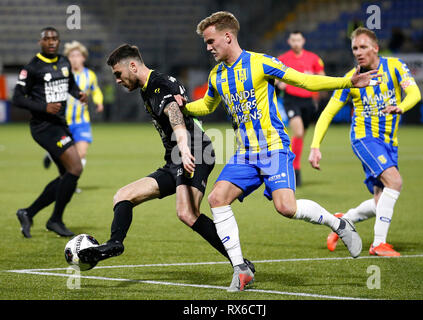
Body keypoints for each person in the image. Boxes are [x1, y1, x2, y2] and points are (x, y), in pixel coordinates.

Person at [182, 11, 380, 291]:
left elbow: (305, 81)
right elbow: (207, 106)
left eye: (211, 40)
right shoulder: (217, 75)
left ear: (228, 36)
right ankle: (241, 270)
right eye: (206, 42)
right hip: (245, 153)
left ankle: (339, 224)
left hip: (273, 148)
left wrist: (347, 82)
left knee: (286, 208)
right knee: (216, 199)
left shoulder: (261, 63)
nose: (208, 47)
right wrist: (183, 107)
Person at [78, 44, 255, 275]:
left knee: (187, 213)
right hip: (175, 158)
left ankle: (240, 263)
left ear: (132, 66)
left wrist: (183, 146)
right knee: (123, 196)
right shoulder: (147, 87)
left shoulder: (158, 84)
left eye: (118, 74)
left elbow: (174, 112)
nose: (118, 80)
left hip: (194, 151)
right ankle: (115, 243)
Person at [308, 27, 421, 257]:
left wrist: (402, 106)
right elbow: (328, 112)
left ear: (375, 48)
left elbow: (415, 94)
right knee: (395, 182)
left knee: (381, 201)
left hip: (389, 141)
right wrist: (315, 145)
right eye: (354, 48)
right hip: (364, 138)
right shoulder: (352, 79)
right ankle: (378, 244)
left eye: (363, 47)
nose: (358, 52)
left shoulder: (395, 66)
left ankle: (342, 222)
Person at [13, 27, 88, 238]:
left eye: (55, 39)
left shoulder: (64, 61)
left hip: (59, 124)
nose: (52, 42)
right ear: (41, 42)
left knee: (67, 176)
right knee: (75, 168)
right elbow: (17, 98)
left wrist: (79, 94)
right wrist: (44, 107)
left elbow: (70, 85)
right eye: (48, 39)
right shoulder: (32, 67)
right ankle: (55, 220)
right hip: (43, 127)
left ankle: (28, 212)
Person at [43, 41, 104, 187]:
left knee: (80, 154)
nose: (75, 58)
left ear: (83, 57)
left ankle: (70, 183)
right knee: (66, 156)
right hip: (63, 121)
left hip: (82, 121)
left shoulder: (90, 75)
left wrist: (99, 102)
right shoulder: (62, 74)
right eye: (71, 55)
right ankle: (54, 159)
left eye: (77, 55)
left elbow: (95, 90)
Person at [277, 30, 326, 186]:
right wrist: (280, 83)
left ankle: (294, 167)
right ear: (289, 42)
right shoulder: (282, 59)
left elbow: (322, 77)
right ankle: (294, 168)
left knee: (300, 136)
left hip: (308, 101)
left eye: (298, 40)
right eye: (293, 40)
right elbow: (275, 78)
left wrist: (317, 83)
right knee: (297, 132)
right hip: (291, 100)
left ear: (303, 41)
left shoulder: (314, 58)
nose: (296, 43)